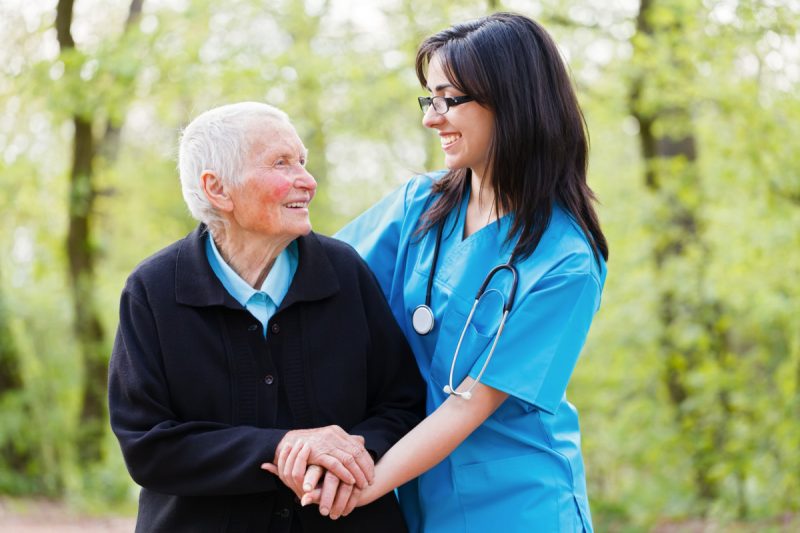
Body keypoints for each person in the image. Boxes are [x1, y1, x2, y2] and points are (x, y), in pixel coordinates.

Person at [266, 12, 609, 532]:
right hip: (413, 491)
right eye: (430, 99)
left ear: (511, 101)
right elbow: (320, 282)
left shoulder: (566, 260)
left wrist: (355, 486)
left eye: (450, 99)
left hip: (517, 505)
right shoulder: (420, 205)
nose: (432, 117)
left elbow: (466, 407)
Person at [108, 101, 425, 532]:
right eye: (281, 163)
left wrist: (352, 455)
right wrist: (282, 448)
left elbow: (402, 402)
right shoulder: (153, 291)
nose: (307, 181)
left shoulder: (345, 271)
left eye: (303, 162)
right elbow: (148, 445)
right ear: (217, 189)